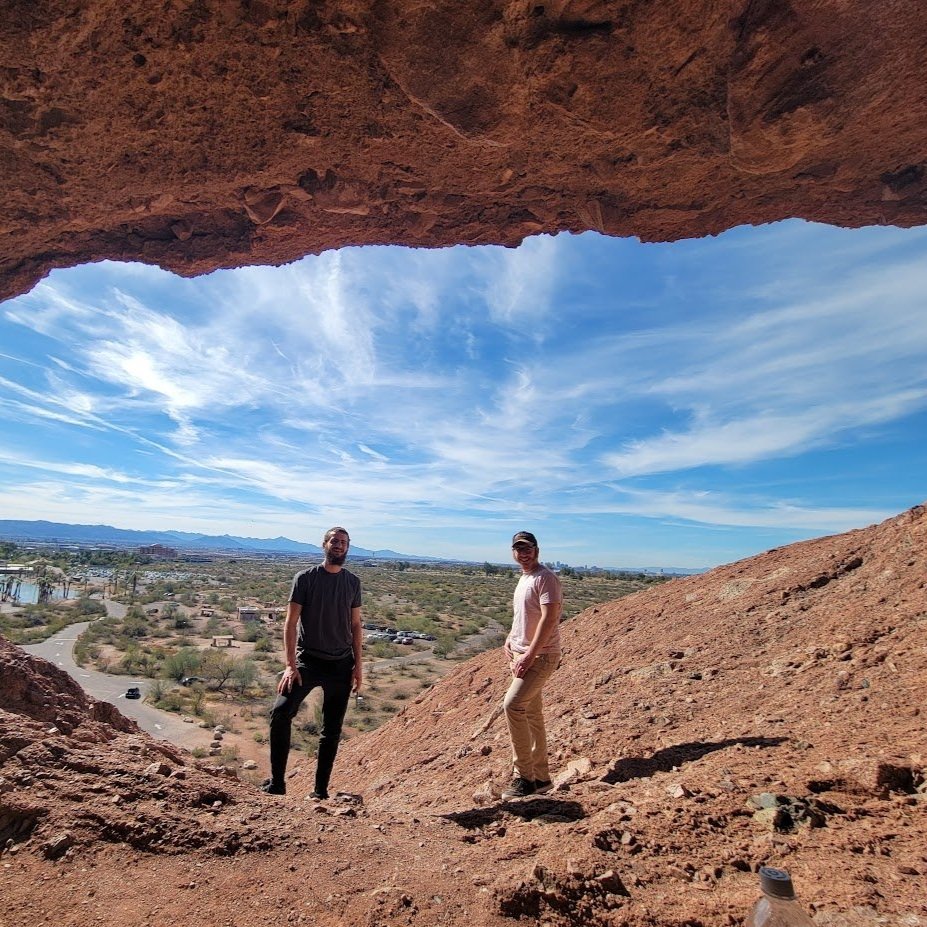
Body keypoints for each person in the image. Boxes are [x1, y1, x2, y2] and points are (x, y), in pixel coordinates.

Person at [262, 527, 363, 798]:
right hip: (307, 661)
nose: (339, 545)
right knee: (280, 712)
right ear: (324, 544)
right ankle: (277, 784)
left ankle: (320, 792)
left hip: (341, 664)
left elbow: (355, 625)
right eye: (334, 541)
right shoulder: (305, 579)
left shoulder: (353, 582)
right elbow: (290, 623)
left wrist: (359, 667)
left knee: (331, 730)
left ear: (348, 547)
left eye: (343, 542)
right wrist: (289, 665)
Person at [501, 530, 562, 799]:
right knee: (531, 714)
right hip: (522, 653)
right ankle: (541, 778)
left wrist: (529, 654)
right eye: (518, 549)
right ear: (513, 552)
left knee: (513, 706)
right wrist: (511, 640)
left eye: (527, 549)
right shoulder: (525, 578)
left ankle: (523, 778)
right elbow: (526, 617)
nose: (523, 553)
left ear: (537, 549)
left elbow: (550, 619)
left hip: (541, 655)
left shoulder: (545, 578)